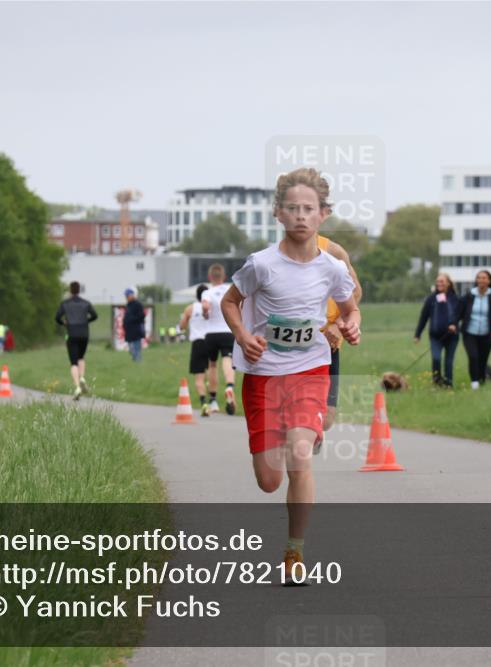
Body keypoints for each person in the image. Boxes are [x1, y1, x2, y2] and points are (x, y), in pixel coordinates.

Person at [220, 167, 360, 580]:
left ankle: (294, 553)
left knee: (301, 457)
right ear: (278, 213)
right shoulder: (260, 265)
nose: (301, 216)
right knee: (268, 479)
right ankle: (293, 434)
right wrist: (244, 335)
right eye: (293, 208)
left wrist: (352, 324)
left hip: (310, 369)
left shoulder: (332, 268)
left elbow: (350, 306)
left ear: (323, 215)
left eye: (309, 209)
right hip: (263, 375)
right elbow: (230, 302)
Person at [316, 211, 363, 448]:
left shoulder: (332, 251)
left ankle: (312, 429)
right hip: (292, 347)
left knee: (327, 419)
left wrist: (337, 324)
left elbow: (356, 292)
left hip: (329, 342)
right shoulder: (275, 256)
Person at [454, 270, 491, 391]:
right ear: (476, 281)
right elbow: (457, 312)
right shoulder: (468, 296)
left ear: (489, 281)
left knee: (483, 360)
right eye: (479, 278)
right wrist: (453, 324)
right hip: (469, 333)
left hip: (486, 334)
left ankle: (482, 380)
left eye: (484, 278)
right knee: (473, 357)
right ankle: (474, 384)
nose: (481, 280)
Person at [202, 264, 238, 415]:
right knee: (227, 360)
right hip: (227, 331)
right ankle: (229, 386)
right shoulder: (230, 289)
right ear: (224, 277)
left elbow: (205, 306)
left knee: (212, 365)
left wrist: (206, 314)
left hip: (211, 333)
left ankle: (213, 400)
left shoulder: (207, 292)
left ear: (210, 277)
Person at [414, 273, 460, 387]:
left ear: (448, 283)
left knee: (448, 362)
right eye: (438, 281)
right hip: (435, 337)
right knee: (436, 358)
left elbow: (459, 314)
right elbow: (423, 317)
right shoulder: (431, 299)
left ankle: (448, 384)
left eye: (442, 281)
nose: (439, 284)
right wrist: (417, 334)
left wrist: (454, 324)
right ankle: (437, 382)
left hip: (452, 336)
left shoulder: (455, 299)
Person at [179, 284, 218, 417]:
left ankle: (204, 404)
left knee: (199, 376)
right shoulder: (213, 307)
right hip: (211, 340)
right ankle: (213, 400)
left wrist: (186, 324)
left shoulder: (190, 308)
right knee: (212, 368)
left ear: (196, 296)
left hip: (197, 342)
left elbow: (182, 326)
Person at [55, 281, 98, 400]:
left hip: (71, 333)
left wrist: (64, 323)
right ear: (79, 290)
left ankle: (77, 386)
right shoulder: (86, 303)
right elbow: (95, 315)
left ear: (70, 290)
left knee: (73, 362)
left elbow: (57, 317)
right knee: (81, 357)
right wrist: (85, 321)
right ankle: (82, 377)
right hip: (84, 333)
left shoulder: (65, 304)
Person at [123, 287, 145, 362]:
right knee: (131, 350)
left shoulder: (138, 305)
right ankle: (135, 361)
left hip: (136, 331)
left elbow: (141, 316)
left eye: (127, 296)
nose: (126, 297)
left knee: (136, 349)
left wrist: (131, 320)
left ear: (132, 295)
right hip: (129, 332)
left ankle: (138, 362)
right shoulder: (128, 305)